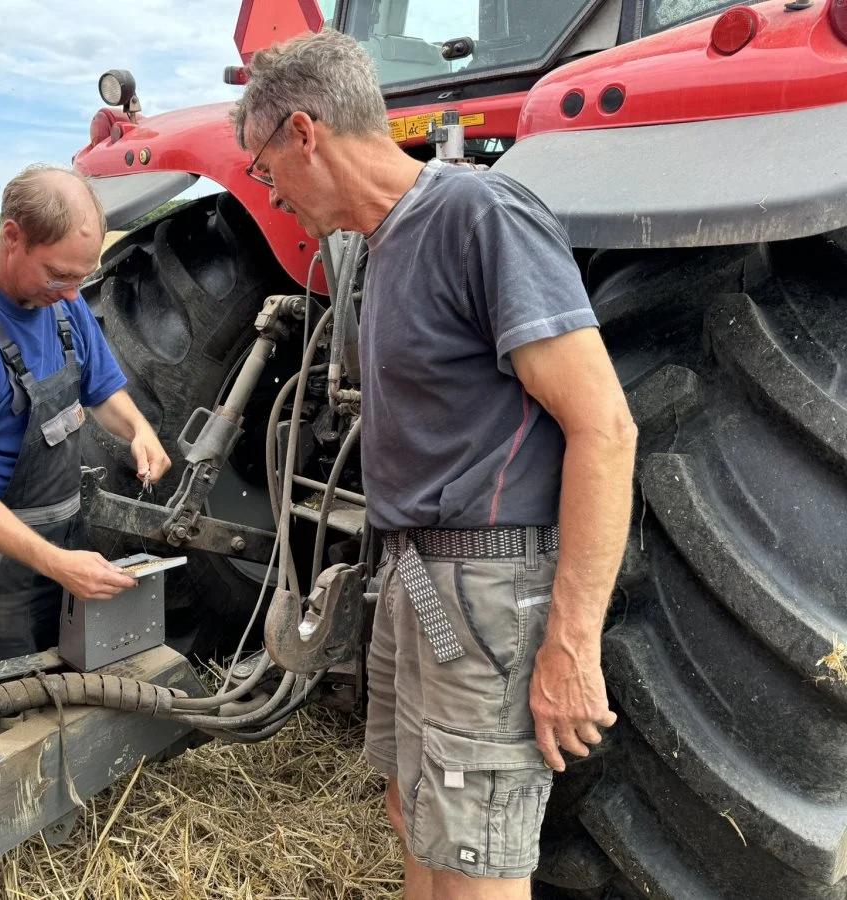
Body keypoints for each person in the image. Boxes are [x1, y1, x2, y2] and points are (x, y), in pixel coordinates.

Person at [232, 30, 638, 900]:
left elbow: (605, 428)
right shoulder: (384, 245)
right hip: (414, 578)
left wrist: (570, 643)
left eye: (266, 171)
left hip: (489, 585)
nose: (272, 195)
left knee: (476, 857)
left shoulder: (480, 217)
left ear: (305, 132)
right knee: (416, 813)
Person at [0, 164, 171, 671]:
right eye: (60, 275)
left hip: (65, 545)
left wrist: (140, 431)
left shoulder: (63, 309)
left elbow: (104, 391)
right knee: (0, 700)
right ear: (12, 237)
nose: (73, 292)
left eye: (82, 277)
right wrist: (58, 565)